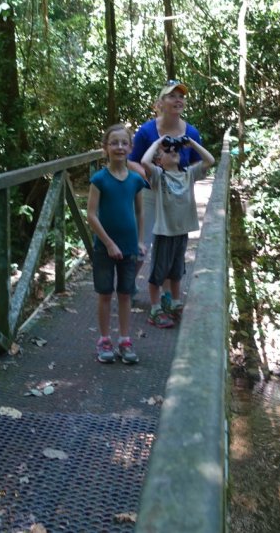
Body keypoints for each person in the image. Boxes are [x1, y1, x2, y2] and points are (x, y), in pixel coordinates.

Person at [140, 133, 216, 328]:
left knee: (176, 272)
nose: (173, 151)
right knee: (158, 273)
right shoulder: (159, 175)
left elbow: (211, 160)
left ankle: (174, 302)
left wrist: (190, 143)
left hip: (181, 232)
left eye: (176, 150)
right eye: (168, 151)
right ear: (159, 160)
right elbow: (144, 161)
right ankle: (155, 309)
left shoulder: (188, 174)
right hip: (164, 232)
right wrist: (158, 142)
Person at [88, 123, 147, 364]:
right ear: (105, 148)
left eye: (124, 143)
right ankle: (104, 339)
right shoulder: (99, 179)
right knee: (104, 294)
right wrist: (109, 243)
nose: (119, 147)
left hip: (130, 246)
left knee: (125, 294)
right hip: (104, 247)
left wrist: (141, 241)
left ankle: (124, 339)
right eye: (114, 143)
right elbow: (91, 215)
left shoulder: (135, 180)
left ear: (130, 147)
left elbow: (140, 213)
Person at [128, 80, 204, 174]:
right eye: (172, 96)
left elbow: (199, 161)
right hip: (150, 187)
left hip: (181, 187)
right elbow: (131, 161)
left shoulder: (192, 133)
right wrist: (151, 179)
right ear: (161, 103)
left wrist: (184, 177)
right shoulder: (146, 131)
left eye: (181, 96)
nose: (178, 100)